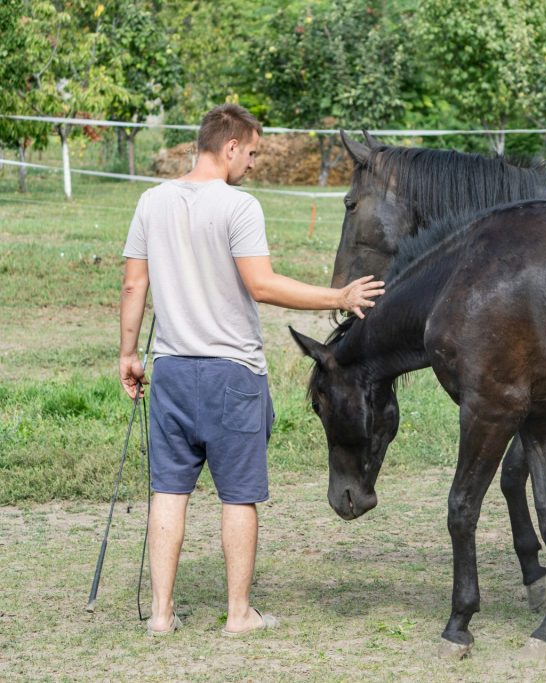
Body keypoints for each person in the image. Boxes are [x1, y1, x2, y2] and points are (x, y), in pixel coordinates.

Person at [118, 104, 384, 636]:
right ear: (230, 146)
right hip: (231, 376)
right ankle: (239, 614)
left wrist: (128, 354)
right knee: (238, 496)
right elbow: (261, 285)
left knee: (168, 492)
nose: (255, 163)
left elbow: (133, 285)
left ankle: (162, 615)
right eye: (254, 152)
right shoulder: (239, 207)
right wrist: (339, 295)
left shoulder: (152, 201)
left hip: (170, 369)